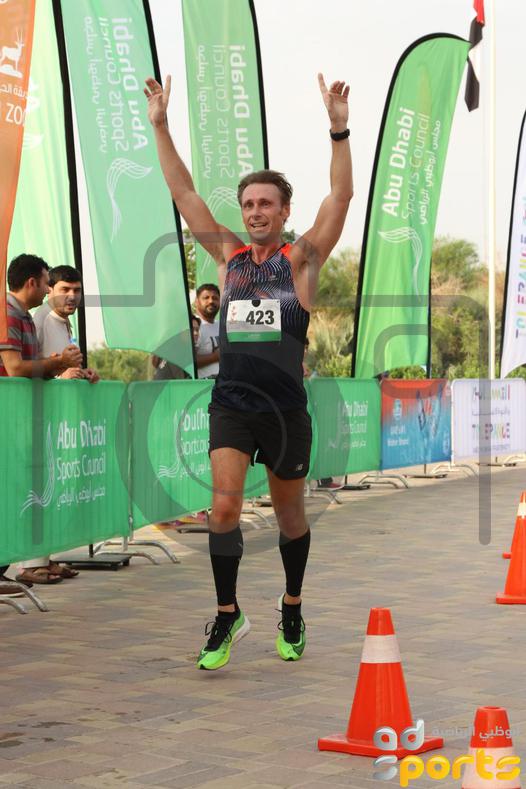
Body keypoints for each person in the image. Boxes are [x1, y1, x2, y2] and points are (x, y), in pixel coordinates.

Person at [145, 72, 352, 669]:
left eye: (266, 204)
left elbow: (340, 199)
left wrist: (339, 130)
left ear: (284, 211)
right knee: (225, 509)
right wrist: (161, 126)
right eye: (248, 205)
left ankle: (292, 605)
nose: (256, 212)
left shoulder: (301, 261)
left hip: (284, 411)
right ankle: (227, 614)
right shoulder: (228, 259)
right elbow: (184, 193)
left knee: (290, 516)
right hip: (232, 406)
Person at [0, 255, 83, 589]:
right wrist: (58, 363)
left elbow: (32, 367)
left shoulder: (23, 317)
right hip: (8, 419)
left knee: (15, 494)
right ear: (32, 282)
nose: (50, 290)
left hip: (18, 420)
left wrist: (57, 366)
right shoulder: (7, 314)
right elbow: (15, 369)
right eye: (49, 283)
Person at [194, 284, 220, 379]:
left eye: (215, 298)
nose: (211, 301)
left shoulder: (221, 325)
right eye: (206, 298)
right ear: (196, 302)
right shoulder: (193, 326)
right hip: (203, 385)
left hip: (224, 384)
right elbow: (187, 363)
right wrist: (215, 357)